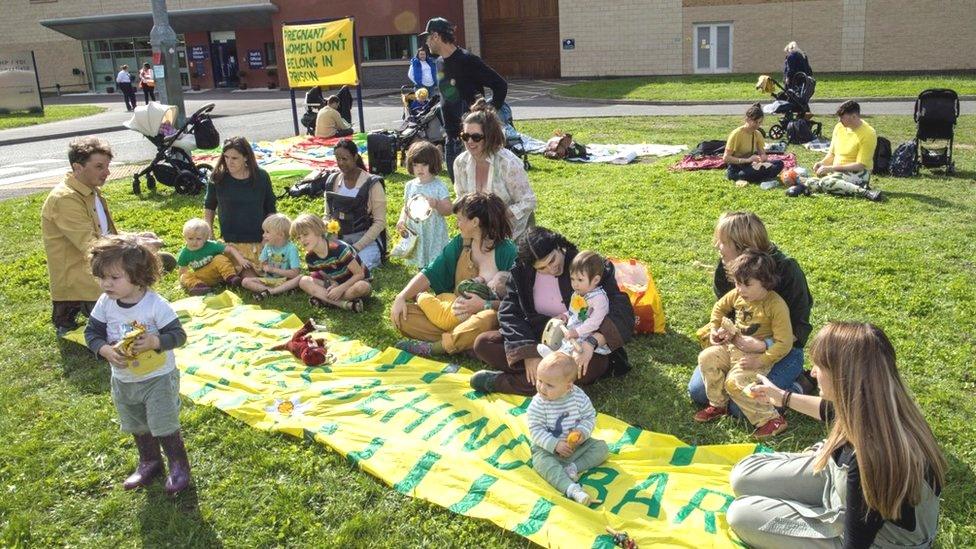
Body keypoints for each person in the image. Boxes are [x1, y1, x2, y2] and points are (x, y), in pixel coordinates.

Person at [727, 322, 945, 548]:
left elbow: (855, 543)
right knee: (743, 475)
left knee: (741, 515)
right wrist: (782, 397)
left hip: (878, 541)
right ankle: (817, 505)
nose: (812, 372)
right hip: (840, 489)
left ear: (843, 377)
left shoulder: (871, 457)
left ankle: (817, 511)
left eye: (819, 366)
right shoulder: (881, 406)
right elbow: (829, 411)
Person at [84, 236, 192, 495]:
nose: (105, 284)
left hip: (158, 378)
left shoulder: (155, 305)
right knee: (138, 424)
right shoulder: (105, 303)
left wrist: (155, 340)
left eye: (113, 278)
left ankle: (178, 465)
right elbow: (92, 333)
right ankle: (149, 462)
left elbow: (179, 336)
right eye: (101, 277)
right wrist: (105, 349)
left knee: (163, 423)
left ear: (138, 275)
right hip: (124, 380)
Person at [470, 227, 634, 396]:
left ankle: (503, 382)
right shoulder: (521, 273)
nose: (551, 269)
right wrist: (528, 353)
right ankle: (548, 376)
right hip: (541, 339)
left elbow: (621, 309)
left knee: (584, 369)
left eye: (552, 260)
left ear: (558, 246)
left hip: (583, 343)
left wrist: (592, 342)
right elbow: (509, 312)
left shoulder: (586, 267)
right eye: (541, 268)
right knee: (483, 343)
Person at [41, 137, 175, 336]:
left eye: (107, 166)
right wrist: (139, 244)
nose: (107, 172)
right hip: (86, 280)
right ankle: (72, 309)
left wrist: (137, 237)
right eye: (99, 166)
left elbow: (107, 236)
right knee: (128, 316)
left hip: (106, 268)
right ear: (78, 167)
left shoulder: (91, 192)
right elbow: (92, 246)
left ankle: (135, 308)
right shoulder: (65, 199)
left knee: (164, 261)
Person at [688, 211, 813, 418]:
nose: (716, 246)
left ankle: (799, 385)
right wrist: (718, 331)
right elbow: (726, 311)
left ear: (741, 246)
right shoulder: (727, 268)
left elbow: (800, 328)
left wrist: (765, 346)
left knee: (740, 408)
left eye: (722, 242)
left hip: (782, 351)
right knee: (699, 393)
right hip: (737, 349)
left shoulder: (787, 270)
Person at [391, 193, 517, 357]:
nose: (457, 224)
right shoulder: (460, 242)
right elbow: (431, 272)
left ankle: (439, 347)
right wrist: (402, 296)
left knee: (488, 318)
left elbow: (517, 303)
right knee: (403, 315)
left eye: (459, 219)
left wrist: (484, 305)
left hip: (485, 320)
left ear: (475, 222)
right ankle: (465, 343)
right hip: (452, 314)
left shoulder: (507, 252)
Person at [693, 250, 794, 439]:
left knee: (734, 382)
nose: (740, 289)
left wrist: (762, 360)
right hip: (732, 348)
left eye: (746, 284)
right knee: (706, 357)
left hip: (754, 357)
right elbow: (719, 307)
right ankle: (718, 405)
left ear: (765, 281)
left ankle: (771, 420)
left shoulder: (776, 305)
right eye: (737, 283)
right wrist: (715, 328)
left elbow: (784, 342)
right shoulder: (738, 295)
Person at [421, 16, 508, 181]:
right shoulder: (439, 62)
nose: (426, 43)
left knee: (476, 190)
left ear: (436, 36)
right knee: (459, 189)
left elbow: (500, 85)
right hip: (451, 137)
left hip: (471, 140)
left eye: (427, 37)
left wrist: (489, 114)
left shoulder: (467, 60)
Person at [528, 352, 608, 506]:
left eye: (549, 385)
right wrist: (555, 445)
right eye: (540, 380)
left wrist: (582, 433)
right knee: (541, 462)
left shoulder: (578, 397)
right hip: (548, 450)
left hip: (576, 447)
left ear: (568, 386)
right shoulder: (538, 403)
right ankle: (572, 489)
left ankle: (573, 468)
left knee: (602, 448)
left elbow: (589, 416)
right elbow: (535, 429)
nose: (542, 388)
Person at [452, 99, 537, 240]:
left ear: (490, 137)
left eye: (476, 137)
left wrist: (500, 215)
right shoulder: (460, 163)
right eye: (465, 136)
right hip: (478, 233)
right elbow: (461, 197)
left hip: (513, 233)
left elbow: (528, 201)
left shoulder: (508, 163)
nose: (470, 142)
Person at [203, 136, 277, 277]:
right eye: (226, 157)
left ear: (246, 157)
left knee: (265, 272)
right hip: (231, 241)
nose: (229, 162)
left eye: (235, 158)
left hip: (259, 239)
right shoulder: (218, 178)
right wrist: (209, 231)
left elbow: (270, 209)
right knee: (242, 274)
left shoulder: (261, 177)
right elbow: (209, 206)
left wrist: (267, 238)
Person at [793, 100, 882, 201]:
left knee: (824, 182)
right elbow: (832, 154)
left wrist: (830, 168)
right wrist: (822, 163)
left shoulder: (868, 133)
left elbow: (860, 165)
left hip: (859, 173)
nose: (839, 120)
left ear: (853, 116)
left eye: (842, 117)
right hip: (837, 172)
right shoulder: (839, 127)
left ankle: (865, 192)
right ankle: (841, 186)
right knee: (810, 183)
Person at [324, 139, 388, 270]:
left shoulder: (372, 184)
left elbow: (380, 222)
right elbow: (327, 216)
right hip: (340, 239)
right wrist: (331, 236)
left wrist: (356, 247)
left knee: (353, 269)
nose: (341, 163)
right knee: (327, 266)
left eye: (345, 158)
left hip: (366, 241)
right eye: (338, 159)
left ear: (355, 157)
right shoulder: (332, 181)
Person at [537, 251, 612, 359]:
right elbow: (575, 312)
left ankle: (557, 357)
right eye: (572, 279)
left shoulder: (599, 299)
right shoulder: (578, 293)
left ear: (595, 280)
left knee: (572, 353)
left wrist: (577, 332)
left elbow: (595, 322)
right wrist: (566, 315)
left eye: (580, 280)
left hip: (588, 336)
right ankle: (555, 355)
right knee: (565, 344)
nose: (575, 284)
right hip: (574, 332)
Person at [291, 214, 370, 312]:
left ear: (318, 231)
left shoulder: (339, 249)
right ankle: (345, 304)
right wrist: (334, 284)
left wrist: (340, 289)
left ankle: (325, 300)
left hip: (354, 282)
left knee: (362, 287)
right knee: (303, 281)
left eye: (305, 234)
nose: (302, 240)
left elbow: (360, 274)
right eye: (298, 238)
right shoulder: (310, 257)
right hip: (336, 284)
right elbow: (321, 276)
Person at [396, 140, 451, 268]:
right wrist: (401, 219)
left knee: (435, 258)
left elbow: (448, 209)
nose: (419, 169)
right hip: (416, 229)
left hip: (433, 230)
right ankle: (421, 270)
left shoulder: (438, 186)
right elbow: (406, 206)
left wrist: (437, 204)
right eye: (415, 165)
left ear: (433, 164)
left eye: (424, 165)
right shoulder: (410, 185)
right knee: (419, 254)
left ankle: (435, 273)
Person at [414, 271, 511, 332]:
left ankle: (420, 296)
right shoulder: (496, 304)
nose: (489, 280)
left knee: (437, 313)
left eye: (492, 279)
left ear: (493, 287)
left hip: (450, 316)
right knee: (446, 299)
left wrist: (476, 280)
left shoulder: (482, 290)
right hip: (456, 306)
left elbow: (461, 287)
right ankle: (432, 299)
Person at [176, 218, 246, 295]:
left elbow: (230, 249)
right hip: (203, 277)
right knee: (184, 276)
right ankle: (200, 287)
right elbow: (182, 270)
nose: (194, 242)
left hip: (219, 272)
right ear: (184, 237)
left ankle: (231, 278)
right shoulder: (185, 253)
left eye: (198, 239)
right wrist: (181, 283)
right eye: (190, 238)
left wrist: (241, 260)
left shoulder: (211, 245)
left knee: (219, 258)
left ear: (206, 238)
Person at [241, 213, 302, 300]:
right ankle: (273, 291)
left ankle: (270, 292)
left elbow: (295, 273)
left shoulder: (291, 249)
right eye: (264, 232)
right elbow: (262, 263)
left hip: (285, 280)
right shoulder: (268, 246)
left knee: (300, 278)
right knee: (245, 281)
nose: (263, 235)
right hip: (269, 280)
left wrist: (273, 270)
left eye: (267, 232)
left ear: (280, 235)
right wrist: (263, 265)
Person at [723, 104, 784, 184]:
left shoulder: (757, 134)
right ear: (747, 119)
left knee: (779, 163)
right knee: (744, 174)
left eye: (760, 122)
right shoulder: (736, 134)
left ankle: (759, 175)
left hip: (751, 166)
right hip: (737, 168)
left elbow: (763, 154)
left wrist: (762, 159)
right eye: (755, 122)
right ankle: (759, 176)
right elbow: (726, 158)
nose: (757, 125)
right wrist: (747, 160)